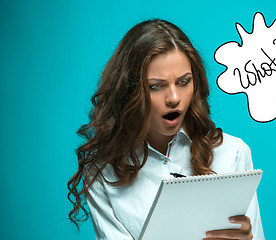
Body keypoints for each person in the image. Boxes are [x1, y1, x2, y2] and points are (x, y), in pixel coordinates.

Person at [67, 19, 264, 240]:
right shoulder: (104, 174)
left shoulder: (233, 153)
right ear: (130, 92)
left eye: (183, 82)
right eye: (156, 86)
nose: (174, 98)